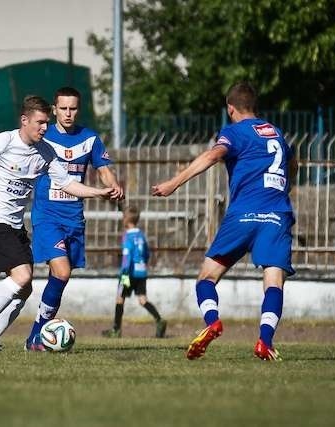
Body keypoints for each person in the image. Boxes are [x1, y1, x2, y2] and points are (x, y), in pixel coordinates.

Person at [0, 95, 115, 353]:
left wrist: (98, 192)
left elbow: (68, 184)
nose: (44, 128)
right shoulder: (2, 142)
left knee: (24, 289)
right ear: (24, 121)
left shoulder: (46, 152)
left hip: (15, 225)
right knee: (22, 276)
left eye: (47, 123)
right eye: (40, 123)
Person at [152, 82, 298, 361]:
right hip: (277, 214)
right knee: (274, 283)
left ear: (230, 109)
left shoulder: (234, 132)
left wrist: (174, 182)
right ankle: (264, 342)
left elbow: (213, 154)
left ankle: (212, 322)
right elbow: (293, 163)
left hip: (243, 214)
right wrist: (284, 187)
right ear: (255, 106)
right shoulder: (277, 133)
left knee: (206, 278)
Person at [24, 86, 123, 351]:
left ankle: (35, 336)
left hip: (74, 218)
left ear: (79, 109)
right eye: (63, 108)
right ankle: (36, 336)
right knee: (62, 271)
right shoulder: (42, 136)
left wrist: (113, 187)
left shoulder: (90, 138)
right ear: (54, 109)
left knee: (61, 277)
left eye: (73, 108)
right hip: (47, 215)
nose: (68, 113)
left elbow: (104, 170)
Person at [102, 206, 167, 338]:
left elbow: (127, 256)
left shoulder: (128, 237)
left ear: (126, 220)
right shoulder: (141, 235)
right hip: (141, 272)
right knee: (143, 299)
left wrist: (124, 272)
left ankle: (116, 330)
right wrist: (143, 264)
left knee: (120, 298)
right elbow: (147, 253)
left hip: (128, 273)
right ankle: (159, 320)